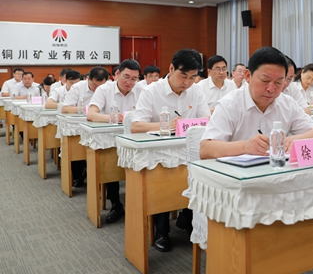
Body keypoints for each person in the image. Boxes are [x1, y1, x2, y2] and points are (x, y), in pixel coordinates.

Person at [131, 49, 210, 253]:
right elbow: (136, 126)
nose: (187, 82)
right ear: (171, 68)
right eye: (183, 76)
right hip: (159, 152)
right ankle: (162, 230)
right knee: (162, 183)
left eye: (193, 77)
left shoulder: (196, 91)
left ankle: (187, 217)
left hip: (189, 152)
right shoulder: (151, 91)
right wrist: (166, 125)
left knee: (202, 176)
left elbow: (206, 121)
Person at [200, 46, 313, 159]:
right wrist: (245, 147)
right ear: (248, 76)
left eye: (279, 82)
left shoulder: (288, 104)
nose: (271, 89)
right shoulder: (229, 104)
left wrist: (292, 140)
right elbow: (205, 150)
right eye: (265, 80)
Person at [87, 60, 142, 224]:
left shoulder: (142, 90)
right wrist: (111, 117)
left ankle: (140, 203)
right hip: (110, 138)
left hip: (135, 138)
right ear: (117, 74)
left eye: (134, 79)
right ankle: (116, 204)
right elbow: (91, 114)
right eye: (126, 77)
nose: (129, 82)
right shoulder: (104, 89)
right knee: (109, 165)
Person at [61, 67, 110, 188]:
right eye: (94, 85)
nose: (97, 89)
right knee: (77, 151)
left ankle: (103, 179)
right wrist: (86, 109)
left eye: (101, 86)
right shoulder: (77, 87)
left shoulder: (109, 88)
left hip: (102, 126)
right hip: (80, 125)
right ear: (88, 79)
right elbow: (65, 108)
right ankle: (78, 175)